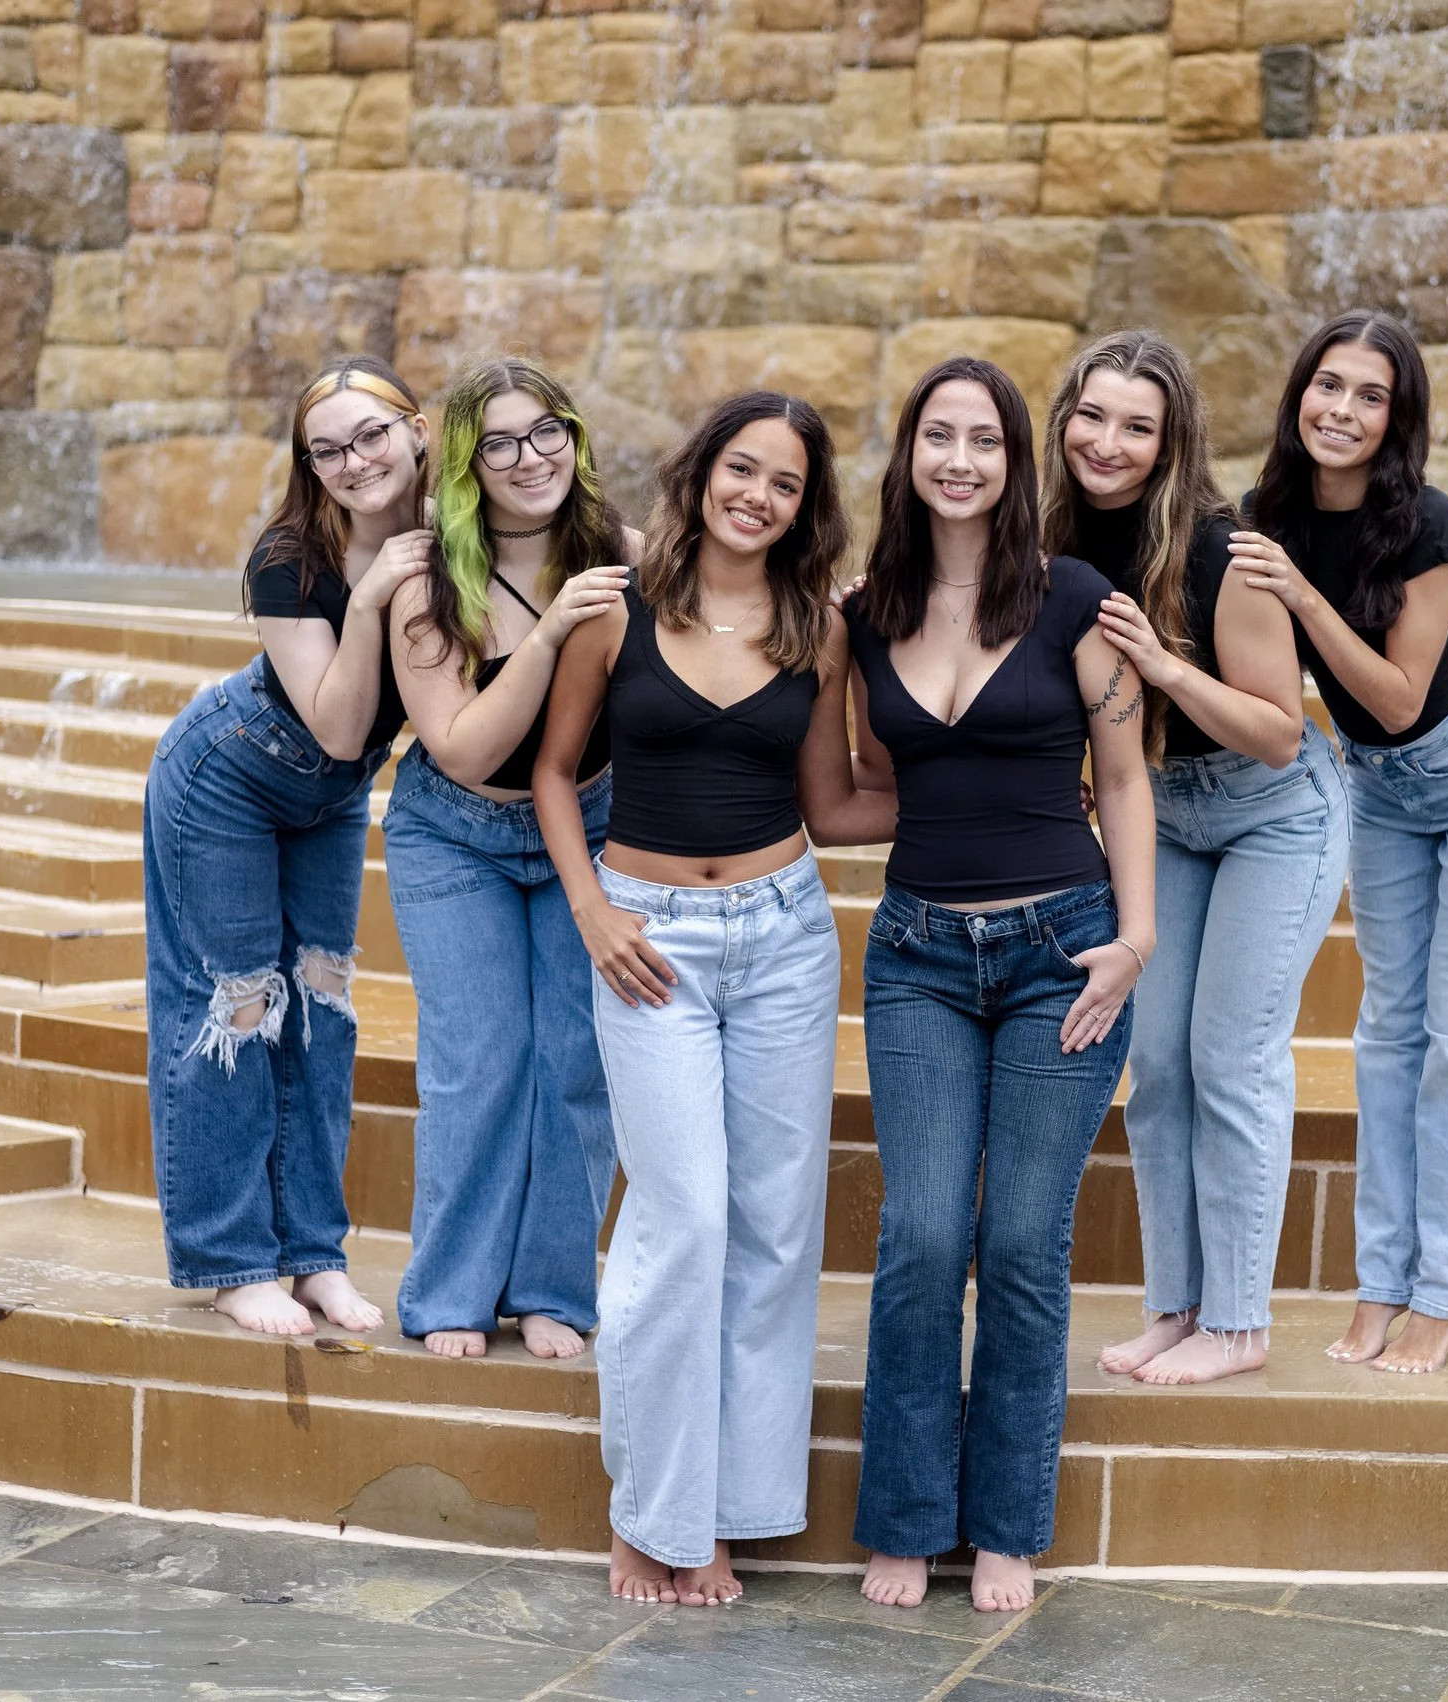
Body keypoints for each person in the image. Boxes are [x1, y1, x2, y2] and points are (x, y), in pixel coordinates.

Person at [533, 391, 896, 1609]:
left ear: (807, 509)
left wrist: (1008, 800)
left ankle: (726, 1519)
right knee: (681, 1217)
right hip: (649, 940)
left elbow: (837, 800)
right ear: (700, 473)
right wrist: (591, 909)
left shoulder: (816, 626)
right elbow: (551, 767)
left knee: (776, 1232)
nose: (758, 495)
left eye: (785, 484)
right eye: (742, 469)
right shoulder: (612, 606)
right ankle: (651, 1514)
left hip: (784, 934)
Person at [843, 357, 1154, 1614]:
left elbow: (1124, 780)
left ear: (1016, 463)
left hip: (1061, 955)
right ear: (908, 454)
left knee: (1022, 1238)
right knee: (921, 1232)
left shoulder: (1077, 599)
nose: (960, 458)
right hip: (916, 952)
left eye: (984, 439)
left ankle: (1009, 1523)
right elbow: (852, 789)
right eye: (938, 436)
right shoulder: (863, 611)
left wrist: (1135, 938)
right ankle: (908, 1516)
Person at [1231, 310, 1448, 1376]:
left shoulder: (1427, 524)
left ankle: (1444, 1295)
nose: (1342, 410)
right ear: (1299, 395)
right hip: (1375, 789)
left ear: (1395, 418)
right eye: (1329, 386)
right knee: (1385, 1038)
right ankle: (1379, 1283)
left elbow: (1400, 697)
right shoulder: (1262, 517)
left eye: (1371, 396)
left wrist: (1303, 598)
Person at [1035, 330, 1348, 1389]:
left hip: (1271, 815)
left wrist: (1162, 667)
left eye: (1137, 425)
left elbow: (1278, 731)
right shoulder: (1049, 537)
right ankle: (1177, 1306)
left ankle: (1242, 1320)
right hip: (1164, 812)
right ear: (1062, 419)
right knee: (1157, 1066)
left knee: (1231, 1056)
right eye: (1092, 416)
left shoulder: (1225, 550)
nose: (1108, 442)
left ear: (1173, 442)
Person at [143, 356, 435, 1337]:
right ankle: (230, 1260)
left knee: (323, 1002)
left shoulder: (458, 533)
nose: (355, 461)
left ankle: (311, 1253)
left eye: (372, 435)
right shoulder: (289, 560)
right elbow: (343, 726)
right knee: (239, 1002)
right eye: (329, 450)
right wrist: (366, 600)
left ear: (417, 430)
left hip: (327, 804)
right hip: (227, 779)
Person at [381, 358, 635, 1363]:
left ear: (573, 437)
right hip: (458, 833)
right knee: (480, 1057)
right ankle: (450, 1286)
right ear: (465, 468)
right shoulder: (428, 583)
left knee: (577, 1058)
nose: (530, 458)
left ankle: (552, 1290)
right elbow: (467, 747)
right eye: (499, 444)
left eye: (547, 433)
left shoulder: (628, 552)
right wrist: (555, 628)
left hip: (595, 820)